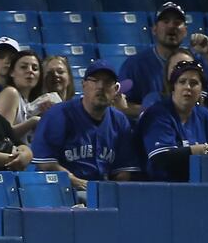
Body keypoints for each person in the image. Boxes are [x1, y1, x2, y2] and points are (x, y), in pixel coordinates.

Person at [31, 60, 139, 191]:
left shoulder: (120, 121)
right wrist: (78, 183)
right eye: (95, 80)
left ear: (116, 90)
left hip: (103, 192)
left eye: (107, 82)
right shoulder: (57, 114)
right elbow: (46, 164)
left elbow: (123, 170)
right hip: (62, 190)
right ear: (83, 85)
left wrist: (109, 193)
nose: (100, 86)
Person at [139, 60, 208, 182]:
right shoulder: (157, 114)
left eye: (194, 83)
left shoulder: (203, 114)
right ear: (173, 87)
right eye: (182, 82)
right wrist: (206, 149)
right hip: (159, 188)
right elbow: (161, 158)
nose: (188, 87)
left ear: (201, 91)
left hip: (195, 184)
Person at [118, 1, 188, 119]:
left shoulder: (193, 63)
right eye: (166, 21)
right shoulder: (134, 65)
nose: (172, 26)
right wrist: (153, 110)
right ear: (154, 29)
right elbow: (120, 106)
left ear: (185, 31)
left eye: (177, 22)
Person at [0, 50, 48, 143]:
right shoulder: (11, 93)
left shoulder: (28, 102)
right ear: (11, 72)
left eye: (35, 68)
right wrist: (33, 121)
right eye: (23, 67)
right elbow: (2, 134)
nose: (30, 71)